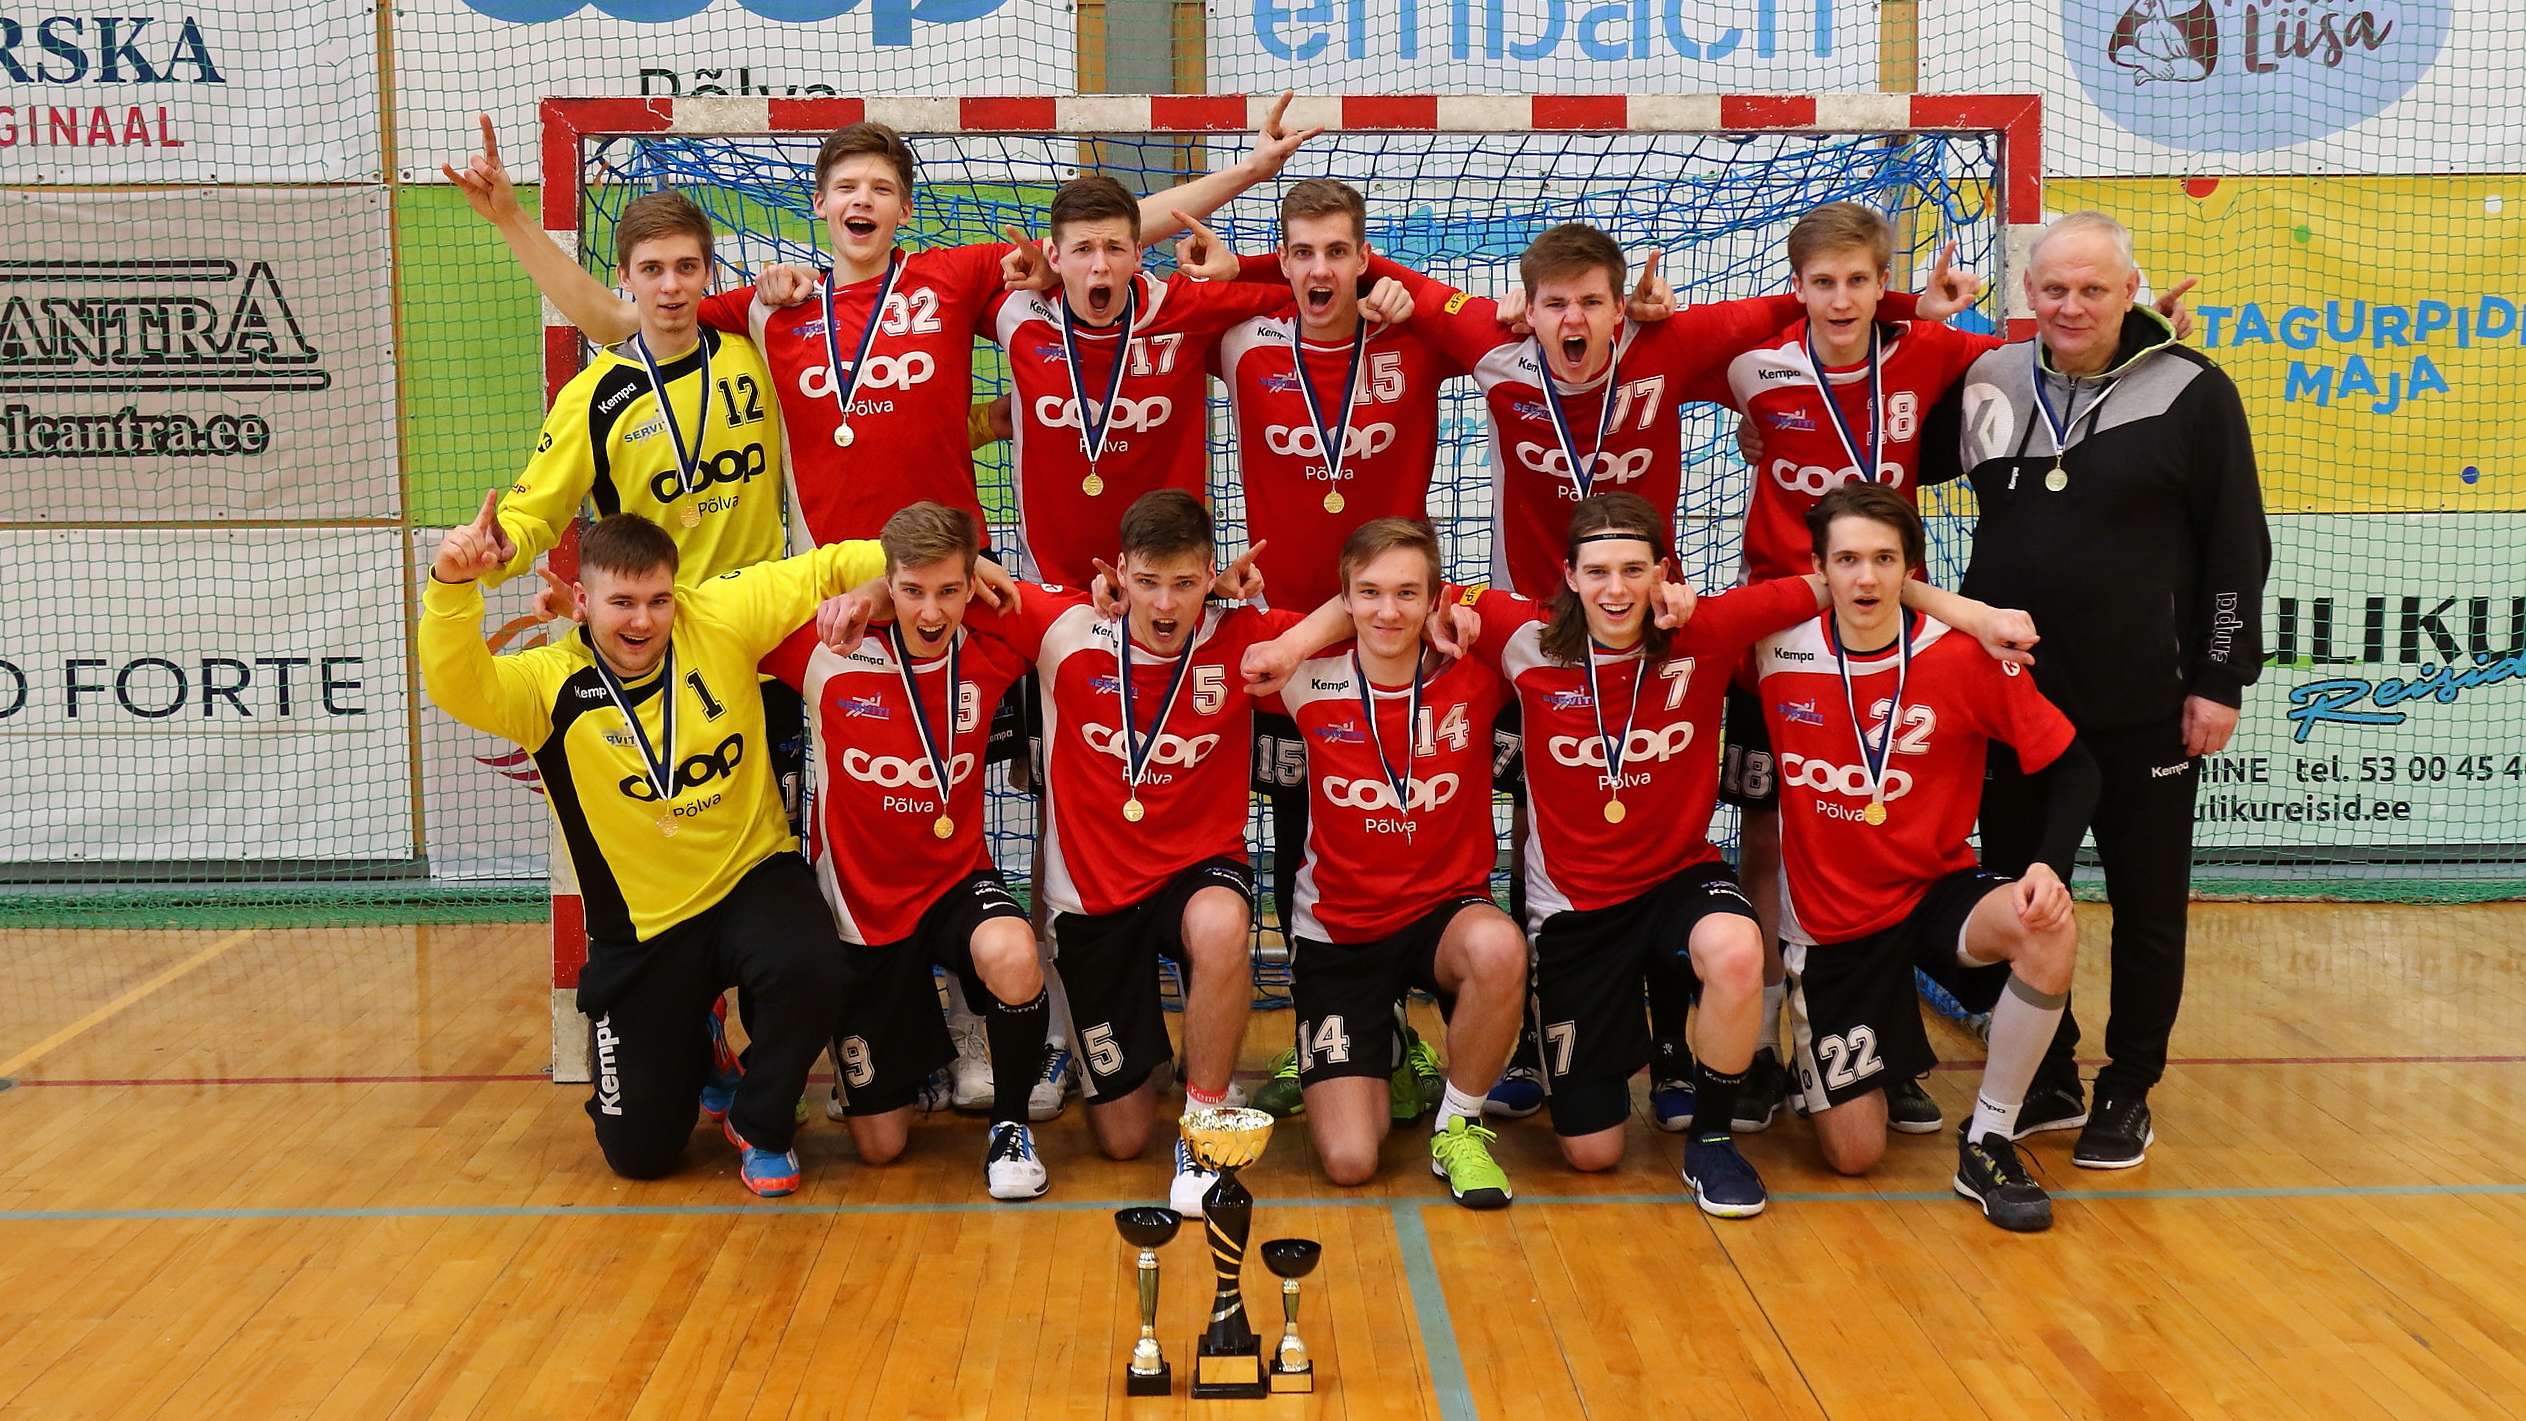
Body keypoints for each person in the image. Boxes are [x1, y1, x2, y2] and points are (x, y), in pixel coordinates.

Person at [1451, 492, 2027, 1217]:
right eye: (1597, 572)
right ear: (1568, 575)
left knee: (1736, 945)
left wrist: (1978, 617)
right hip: (1575, 904)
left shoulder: (1710, 627)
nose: (1616, 589)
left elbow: (1846, 580)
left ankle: (1714, 1141)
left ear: (1664, 572)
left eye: (1634, 570)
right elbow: (1416, 590)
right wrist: (1450, 613)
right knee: (1592, 1152)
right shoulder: (1524, 635)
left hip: (1678, 876)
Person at [1916, 210, 2270, 1168]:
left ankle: (2129, 1086)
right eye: (2055, 288)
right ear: (2028, 291)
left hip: (2145, 704)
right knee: (2026, 897)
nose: (2071, 306)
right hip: (2014, 703)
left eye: (2093, 289)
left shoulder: (2193, 389)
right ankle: (2051, 1073)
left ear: (2128, 292)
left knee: (2149, 907)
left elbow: (2237, 548)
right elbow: (1886, 448)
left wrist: (2220, 679)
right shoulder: (1989, 378)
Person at [417, 504, 887, 1198]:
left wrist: (944, 567)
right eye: (623, 603)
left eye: (658, 600)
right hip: (643, 929)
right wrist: (452, 588)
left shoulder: (719, 614)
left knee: (815, 964)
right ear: (582, 601)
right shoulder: (547, 685)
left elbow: (834, 564)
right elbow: (458, 684)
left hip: (749, 876)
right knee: (640, 1152)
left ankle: (759, 1122)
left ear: (677, 592)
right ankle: (700, 1041)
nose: (643, 621)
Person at [937, 491, 1326, 1213]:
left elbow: (1363, 609)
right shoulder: (1063, 626)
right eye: (1148, 581)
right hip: (1095, 900)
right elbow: (940, 577)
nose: (1166, 603)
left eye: (1185, 582)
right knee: (1120, 1137)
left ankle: (1204, 1130)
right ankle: (1153, 1065)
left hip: (1197, 869)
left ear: (1211, 574)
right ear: (1118, 571)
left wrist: (1292, 643)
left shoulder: (1242, 637)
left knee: (1223, 925)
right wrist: (872, 589)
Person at [1752, 483, 2094, 1231]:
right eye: (1847, 559)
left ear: (1911, 570)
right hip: (1834, 926)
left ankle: (1989, 1137)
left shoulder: (1963, 656)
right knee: (1854, 1154)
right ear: (1819, 569)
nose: (1866, 578)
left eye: (1884, 559)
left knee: (2047, 925)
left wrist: (2048, 866)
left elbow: (2075, 766)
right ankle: (1839, 1063)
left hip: (1934, 890)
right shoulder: (1775, 648)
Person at [1206, 178, 1472, 1117]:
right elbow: (1131, 292)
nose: (1320, 270)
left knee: (1403, 831)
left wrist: (1402, 284)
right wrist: (1241, 267)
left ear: (1363, 258)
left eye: (1339, 252)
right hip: (1289, 642)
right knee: (1300, 839)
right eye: (1301, 253)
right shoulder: (1242, 339)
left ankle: (1406, 1034)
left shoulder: (1415, 337)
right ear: (1282, 262)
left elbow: (1499, 324)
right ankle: (1327, 1031)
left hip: (1397, 631)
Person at [759, 503, 1052, 1199]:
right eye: (912, 590)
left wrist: (997, 576)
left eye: (949, 590)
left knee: (1014, 952)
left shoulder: (991, 642)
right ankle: (911, 1063)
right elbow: (721, 625)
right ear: (888, 582)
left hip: (955, 882)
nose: (931, 611)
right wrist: (860, 593)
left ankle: (1011, 1128)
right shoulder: (826, 648)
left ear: (971, 585)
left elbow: (1083, 614)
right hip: (861, 911)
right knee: (881, 1148)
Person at [1237, 519, 1526, 1207]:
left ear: (1433, 600)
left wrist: (1465, 607)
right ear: (1342, 601)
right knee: (1350, 1159)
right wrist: (1268, 617)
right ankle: (1391, 1044)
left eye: (1407, 593)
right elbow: (1195, 621)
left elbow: (1558, 619)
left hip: (1443, 913)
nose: (1387, 611)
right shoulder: (1303, 673)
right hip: (1340, 931)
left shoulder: (1480, 672)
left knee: (1500, 947)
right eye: (1368, 593)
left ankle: (1458, 1125)